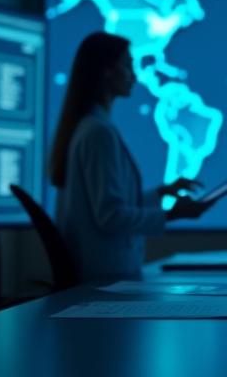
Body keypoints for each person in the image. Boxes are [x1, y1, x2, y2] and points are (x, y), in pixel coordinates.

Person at [48, 32, 214, 281]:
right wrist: (173, 214)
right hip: (105, 280)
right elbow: (110, 217)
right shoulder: (98, 132)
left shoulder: (91, 127)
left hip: (106, 277)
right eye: (127, 65)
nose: (134, 75)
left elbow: (111, 205)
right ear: (105, 72)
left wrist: (161, 193)